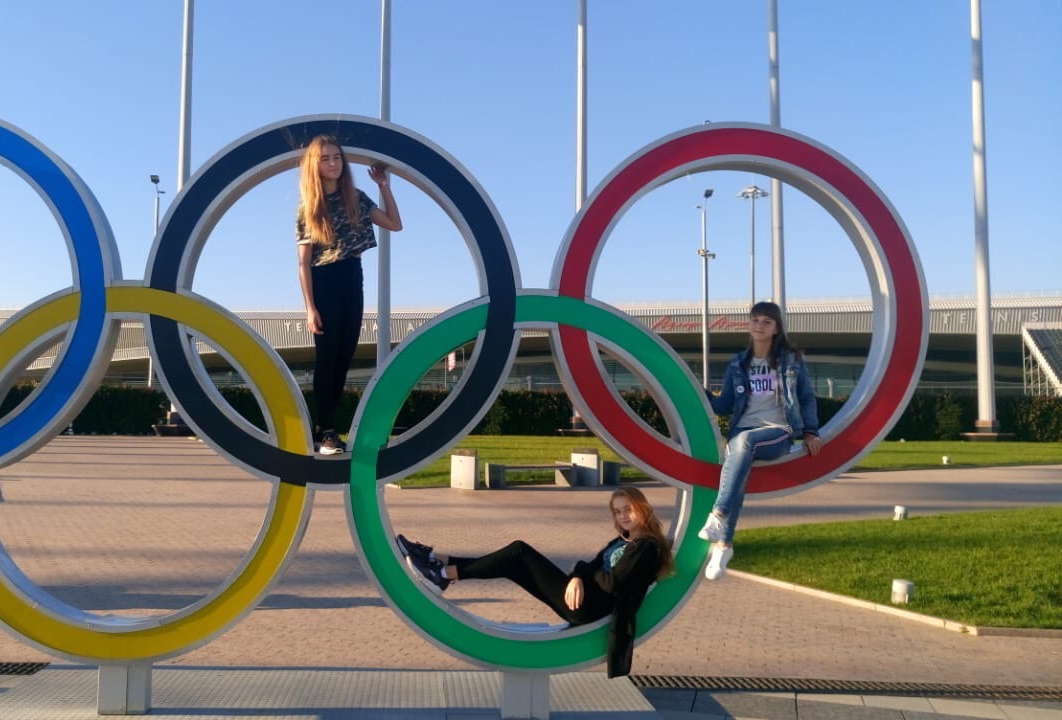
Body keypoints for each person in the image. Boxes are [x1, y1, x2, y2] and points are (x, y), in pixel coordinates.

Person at [395, 487, 674, 678]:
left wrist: (581, 577)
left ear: (642, 508)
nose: (623, 516)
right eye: (618, 511)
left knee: (519, 551)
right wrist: (578, 576)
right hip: (581, 594)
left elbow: (613, 582)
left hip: (588, 606)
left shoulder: (646, 547)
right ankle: (436, 561)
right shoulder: (624, 539)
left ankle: (443, 573)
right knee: (512, 564)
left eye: (628, 509)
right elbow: (590, 565)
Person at [697, 301, 822, 580]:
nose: (759, 326)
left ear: (776, 328)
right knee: (738, 464)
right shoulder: (738, 363)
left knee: (744, 444)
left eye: (766, 321)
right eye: (755, 320)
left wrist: (810, 431)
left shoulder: (791, 360)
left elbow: (805, 397)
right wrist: (697, 391)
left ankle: (718, 515)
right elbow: (725, 405)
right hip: (742, 430)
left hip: (778, 431)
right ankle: (724, 546)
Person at [295, 135, 402, 455]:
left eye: (337, 157)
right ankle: (325, 429)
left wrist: (383, 186)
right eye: (325, 158)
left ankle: (325, 429)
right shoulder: (309, 209)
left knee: (345, 355)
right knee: (327, 357)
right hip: (324, 279)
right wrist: (310, 307)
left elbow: (394, 224)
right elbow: (303, 263)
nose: (333, 163)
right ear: (315, 165)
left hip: (352, 276)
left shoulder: (356, 197)